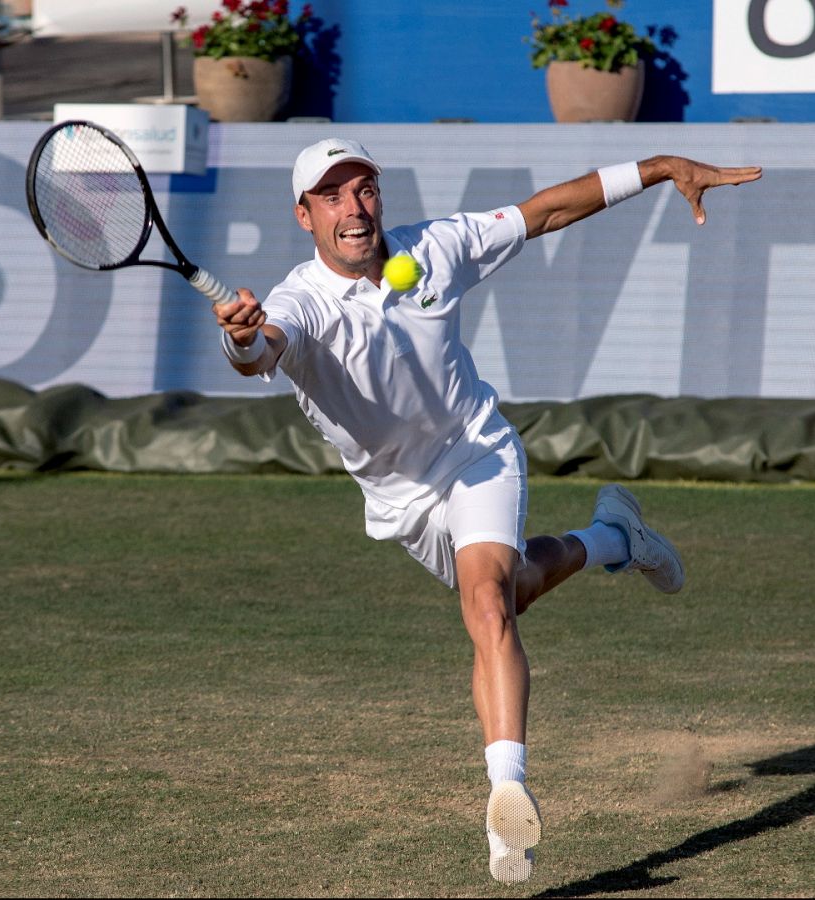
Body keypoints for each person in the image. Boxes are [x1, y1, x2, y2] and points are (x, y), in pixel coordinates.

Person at [211, 139, 761, 884]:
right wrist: (240, 336)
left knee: (485, 606)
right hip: (402, 499)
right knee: (517, 590)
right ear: (304, 215)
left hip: (477, 453)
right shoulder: (299, 302)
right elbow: (263, 348)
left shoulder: (436, 250)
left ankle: (509, 793)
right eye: (332, 196)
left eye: (363, 189)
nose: (353, 207)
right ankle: (612, 537)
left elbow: (549, 209)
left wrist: (660, 167)